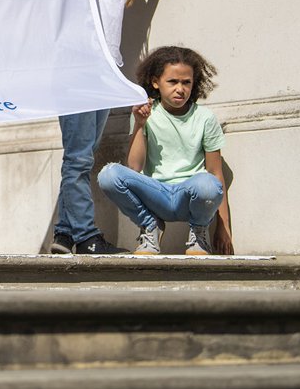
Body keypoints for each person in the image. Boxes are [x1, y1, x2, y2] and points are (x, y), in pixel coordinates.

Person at [51, 0, 177, 255]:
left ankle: (65, 234)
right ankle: (85, 236)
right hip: (75, 71)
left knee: (83, 155)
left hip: (106, 74)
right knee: (77, 157)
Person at [97, 46, 233, 255]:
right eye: (173, 82)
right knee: (109, 174)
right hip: (156, 196)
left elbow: (216, 174)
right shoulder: (146, 112)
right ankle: (150, 225)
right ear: (155, 82)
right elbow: (134, 167)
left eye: (186, 82)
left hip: (189, 196)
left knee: (208, 183)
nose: (180, 89)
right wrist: (140, 124)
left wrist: (224, 229)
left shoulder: (205, 118)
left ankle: (198, 233)